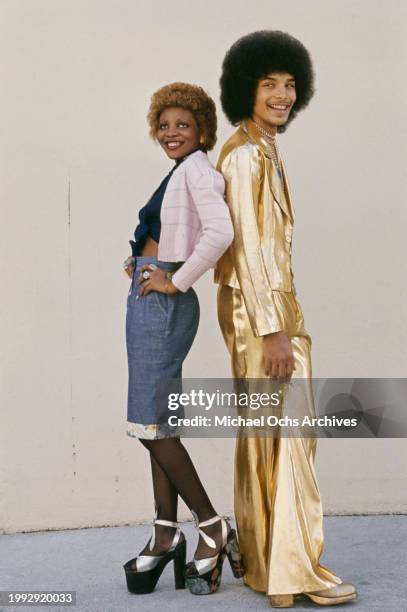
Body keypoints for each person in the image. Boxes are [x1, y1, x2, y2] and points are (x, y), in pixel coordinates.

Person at [215, 31, 357, 608]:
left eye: (289, 84)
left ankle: (263, 562)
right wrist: (274, 330)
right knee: (291, 435)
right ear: (244, 88)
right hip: (263, 316)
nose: (281, 95)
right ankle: (296, 572)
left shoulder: (260, 146)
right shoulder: (247, 154)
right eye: (268, 83)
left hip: (265, 308)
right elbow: (247, 248)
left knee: (266, 436)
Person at [122, 82, 244, 596]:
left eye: (184, 125)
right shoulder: (179, 172)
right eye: (166, 124)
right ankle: (164, 533)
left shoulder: (197, 170)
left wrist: (173, 278)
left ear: (203, 131)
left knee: (152, 425)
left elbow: (220, 233)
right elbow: (174, 231)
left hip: (164, 304)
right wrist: (143, 262)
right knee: (158, 421)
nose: (173, 133)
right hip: (149, 296)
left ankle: (212, 526)